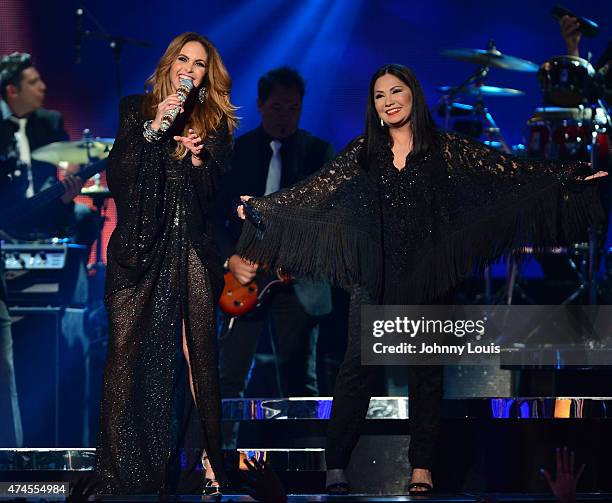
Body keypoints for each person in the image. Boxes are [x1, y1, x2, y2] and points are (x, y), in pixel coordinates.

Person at [235, 64, 606, 494]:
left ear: (413, 96)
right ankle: (336, 465)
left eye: (396, 91)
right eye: (379, 95)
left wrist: (569, 176)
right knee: (356, 370)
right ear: (372, 106)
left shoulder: (444, 150)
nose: (388, 100)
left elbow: (509, 173)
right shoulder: (362, 155)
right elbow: (315, 193)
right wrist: (264, 208)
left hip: (426, 272)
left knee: (425, 373)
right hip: (376, 273)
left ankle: (422, 468)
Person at [95, 32, 237, 495]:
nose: (189, 70)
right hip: (138, 250)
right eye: (184, 60)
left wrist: (197, 161)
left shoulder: (214, 123)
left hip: (191, 250)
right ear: (169, 64)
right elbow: (119, 178)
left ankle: (212, 461)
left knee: (198, 353)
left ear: (206, 76)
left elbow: (210, 200)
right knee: (123, 353)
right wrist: (154, 130)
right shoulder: (134, 109)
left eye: (199, 65)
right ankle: (115, 469)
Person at [213, 68, 334, 421]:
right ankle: (218, 467)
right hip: (244, 280)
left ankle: (306, 470)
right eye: (278, 107)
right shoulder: (237, 152)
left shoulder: (318, 153)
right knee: (228, 379)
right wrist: (230, 259)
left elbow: (328, 221)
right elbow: (211, 218)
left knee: (301, 384)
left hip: (298, 284)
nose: (286, 116)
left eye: (293, 108)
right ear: (261, 104)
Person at [0, 51, 86, 448]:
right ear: (12, 90)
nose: (44, 88)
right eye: (34, 83)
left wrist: (69, 191)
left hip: (47, 218)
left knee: (82, 220)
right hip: (7, 222)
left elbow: (68, 165)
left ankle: (71, 308)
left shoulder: (50, 123)